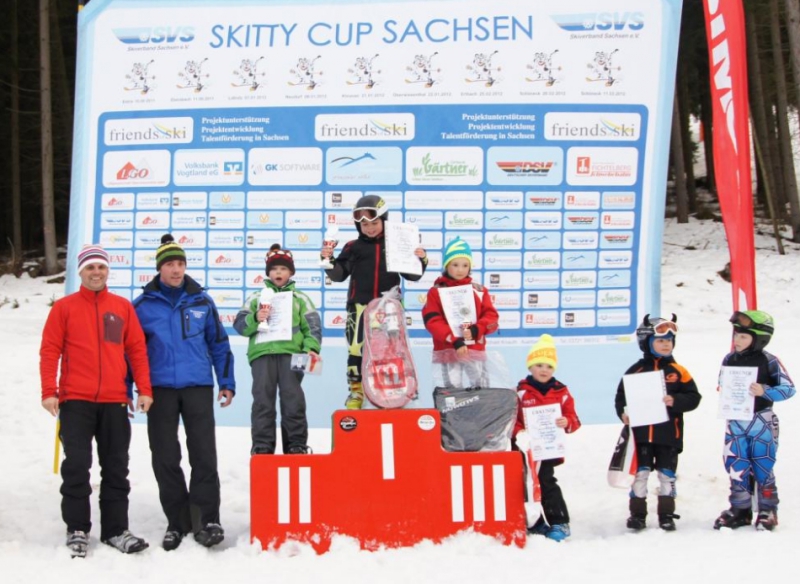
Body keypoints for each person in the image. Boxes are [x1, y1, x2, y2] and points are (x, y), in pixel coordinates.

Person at [39, 244, 153, 557]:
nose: (96, 272)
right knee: (77, 466)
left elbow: (136, 350)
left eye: (101, 267)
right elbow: (50, 350)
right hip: (75, 400)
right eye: (90, 267)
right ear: (81, 272)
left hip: (115, 401)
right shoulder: (64, 308)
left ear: (107, 271)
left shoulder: (121, 307)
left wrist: (144, 389)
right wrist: (49, 391)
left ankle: (116, 530)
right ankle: (77, 529)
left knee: (116, 467)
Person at [133, 234, 235, 551]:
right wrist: (128, 388)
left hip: (197, 386)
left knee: (203, 454)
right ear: (159, 268)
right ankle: (177, 522)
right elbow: (131, 351)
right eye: (170, 264)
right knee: (165, 456)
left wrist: (226, 382)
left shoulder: (201, 301)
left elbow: (219, 344)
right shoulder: (142, 306)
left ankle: (207, 520)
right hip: (159, 389)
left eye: (180, 264)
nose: (176, 270)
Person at [320, 194, 428, 409]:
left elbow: (412, 275)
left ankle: (393, 389)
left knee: (393, 348)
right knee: (356, 348)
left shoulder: (396, 243)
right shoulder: (353, 247)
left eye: (374, 223)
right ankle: (356, 391)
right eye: (364, 225)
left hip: (390, 308)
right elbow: (339, 275)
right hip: (360, 306)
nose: (369, 228)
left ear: (384, 220)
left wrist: (421, 259)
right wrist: (328, 260)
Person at [614, 314, 701, 531]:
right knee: (640, 474)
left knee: (666, 475)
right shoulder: (635, 370)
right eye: (660, 340)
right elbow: (621, 397)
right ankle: (637, 514)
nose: (666, 344)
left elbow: (694, 397)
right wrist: (623, 413)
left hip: (669, 435)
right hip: (641, 436)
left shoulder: (679, 371)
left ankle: (666, 514)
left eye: (669, 340)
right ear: (646, 342)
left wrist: (676, 400)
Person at [234, 244, 322, 455]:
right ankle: (262, 446)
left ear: (291, 272)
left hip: (293, 355)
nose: (278, 272)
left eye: (283, 268)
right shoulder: (256, 297)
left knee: (293, 400)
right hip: (262, 355)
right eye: (274, 269)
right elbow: (239, 325)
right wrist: (255, 318)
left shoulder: (300, 298)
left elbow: (312, 326)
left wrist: (311, 349)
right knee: (262, 401)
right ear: (268, 273)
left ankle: (296, 445)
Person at [713, 310, 795, 531]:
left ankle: (768, 509)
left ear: (760, 339)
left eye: (743, 336)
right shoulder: (729, 359)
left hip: (761, 420)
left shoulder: (769, 361)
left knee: (762, 464)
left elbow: (788, 389)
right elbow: (722, 382)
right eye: (736, 335)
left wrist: (765, 391)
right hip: (736, 420)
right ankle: (740, 508)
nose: (737, 340)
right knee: (736, 464)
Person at [513, 334, 581, 541]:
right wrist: (519, 433)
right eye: (539, 365)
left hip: (548, 449)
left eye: (549, 366)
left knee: (546, 482)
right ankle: (535, 522)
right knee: (524, 484)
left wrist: (566, 422)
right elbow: (512, 420)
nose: (544, 370)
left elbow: (574, 419)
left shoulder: (562, 392)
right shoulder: (520, 392)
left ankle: (559, 522)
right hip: (525, 450)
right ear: (530, 367)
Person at [422, 237, 498, 388]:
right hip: (449, 349)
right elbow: (432, 321)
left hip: (474, 349)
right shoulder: (436, 292)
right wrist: (453, 339)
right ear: (446, 265)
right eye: (455, 265)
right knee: (452, 391)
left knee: (481, 389)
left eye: (465, 265)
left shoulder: (479, 291)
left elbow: (492, 318)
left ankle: (481, 404)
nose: (460, 270)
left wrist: (476, 330)